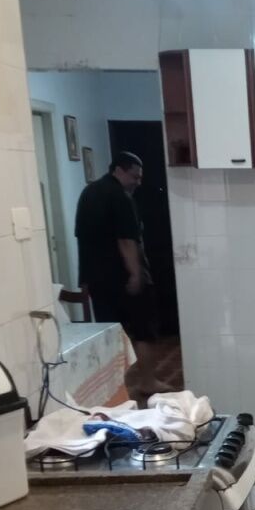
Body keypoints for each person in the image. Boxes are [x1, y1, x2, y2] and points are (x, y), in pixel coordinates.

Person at [74, 151, 183, 404]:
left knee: (110, 334)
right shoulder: (119, 196)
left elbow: (83, 238)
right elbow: (126, 240)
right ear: (119, 170)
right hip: (122, 278)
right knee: (144, 330)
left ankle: (113, 390)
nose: (138, 182)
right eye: (135, 176)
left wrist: (85, 278)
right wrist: (135, 273)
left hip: (97, 279)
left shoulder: (88, 193)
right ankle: (147, 381)